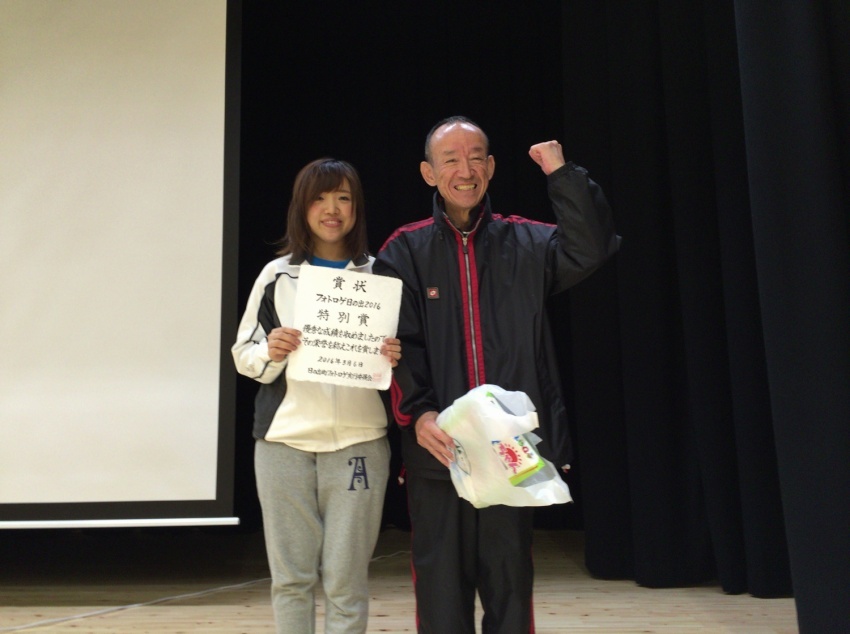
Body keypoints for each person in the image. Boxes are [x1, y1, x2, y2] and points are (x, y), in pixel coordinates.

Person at [373, 116, 621, 633]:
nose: (464, 171)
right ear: (428, 173)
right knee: (441, 586)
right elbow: (397, 346)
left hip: (511, 445)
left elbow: (592, 247)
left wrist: (561, 173)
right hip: (439, 447)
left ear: (490, 167)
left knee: (510, 582)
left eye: (475, 158)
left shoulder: (526, 242)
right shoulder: (404, 250)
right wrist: (419, 414)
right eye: (450, 160)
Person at [232, 158, 402, 634]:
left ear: (357, 208)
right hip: (283, 443)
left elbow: (407, 355)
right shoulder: (276, 275)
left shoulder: (382, 277)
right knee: (292, 578)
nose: (332, 209)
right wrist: (271, 351)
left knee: (347, 581)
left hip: (360, 441)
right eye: (320, 199)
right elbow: (243, 354)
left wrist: (395, 355)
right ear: (301, 208)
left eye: (343, 198)